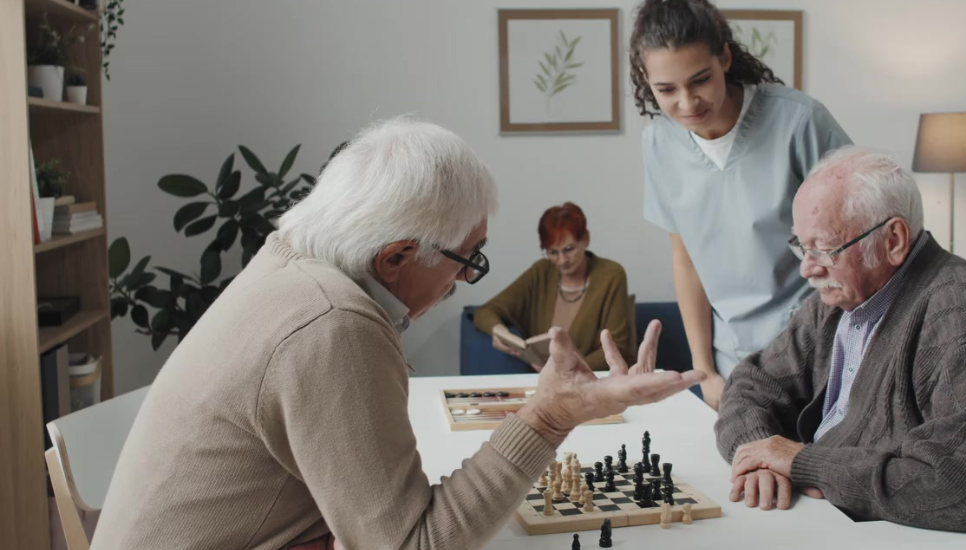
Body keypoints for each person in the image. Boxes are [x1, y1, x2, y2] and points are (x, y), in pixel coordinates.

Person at [91, 118, 704, 550]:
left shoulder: (287, 265)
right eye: (469, 257)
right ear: (395, 258)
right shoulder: (332, 323)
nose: (466, 278)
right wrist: (548, 417)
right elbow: (415, 545)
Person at [714, 147, 966, 532]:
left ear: (894, 239)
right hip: (825, 518)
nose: (806, 267)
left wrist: (803, 463)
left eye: (824, 248)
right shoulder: (835, 300)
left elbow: (964, 491)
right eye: (802, 245)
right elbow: (751, 383)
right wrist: (759, 455)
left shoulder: (965, 311)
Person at [631, 0, 853, 408]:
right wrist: (705, 372)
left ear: (725, 58)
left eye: (700, 80)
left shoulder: (799, 123)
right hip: (734, 362)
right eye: (666, 89)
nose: (687, 102)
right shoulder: (659, 144)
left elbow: (856, 238)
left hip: (823, 347)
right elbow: (686, 261)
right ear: (648, 81)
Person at [474, 202, 635, 371]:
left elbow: (617, 346)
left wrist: (568, 371)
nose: (562, 260)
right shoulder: (542, 271)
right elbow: (485, 311)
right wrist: (500, 333)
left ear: (585, 239)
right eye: (552, 252)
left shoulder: (611, 275)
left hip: (591, 380)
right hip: (544, 381)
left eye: (569, 249)